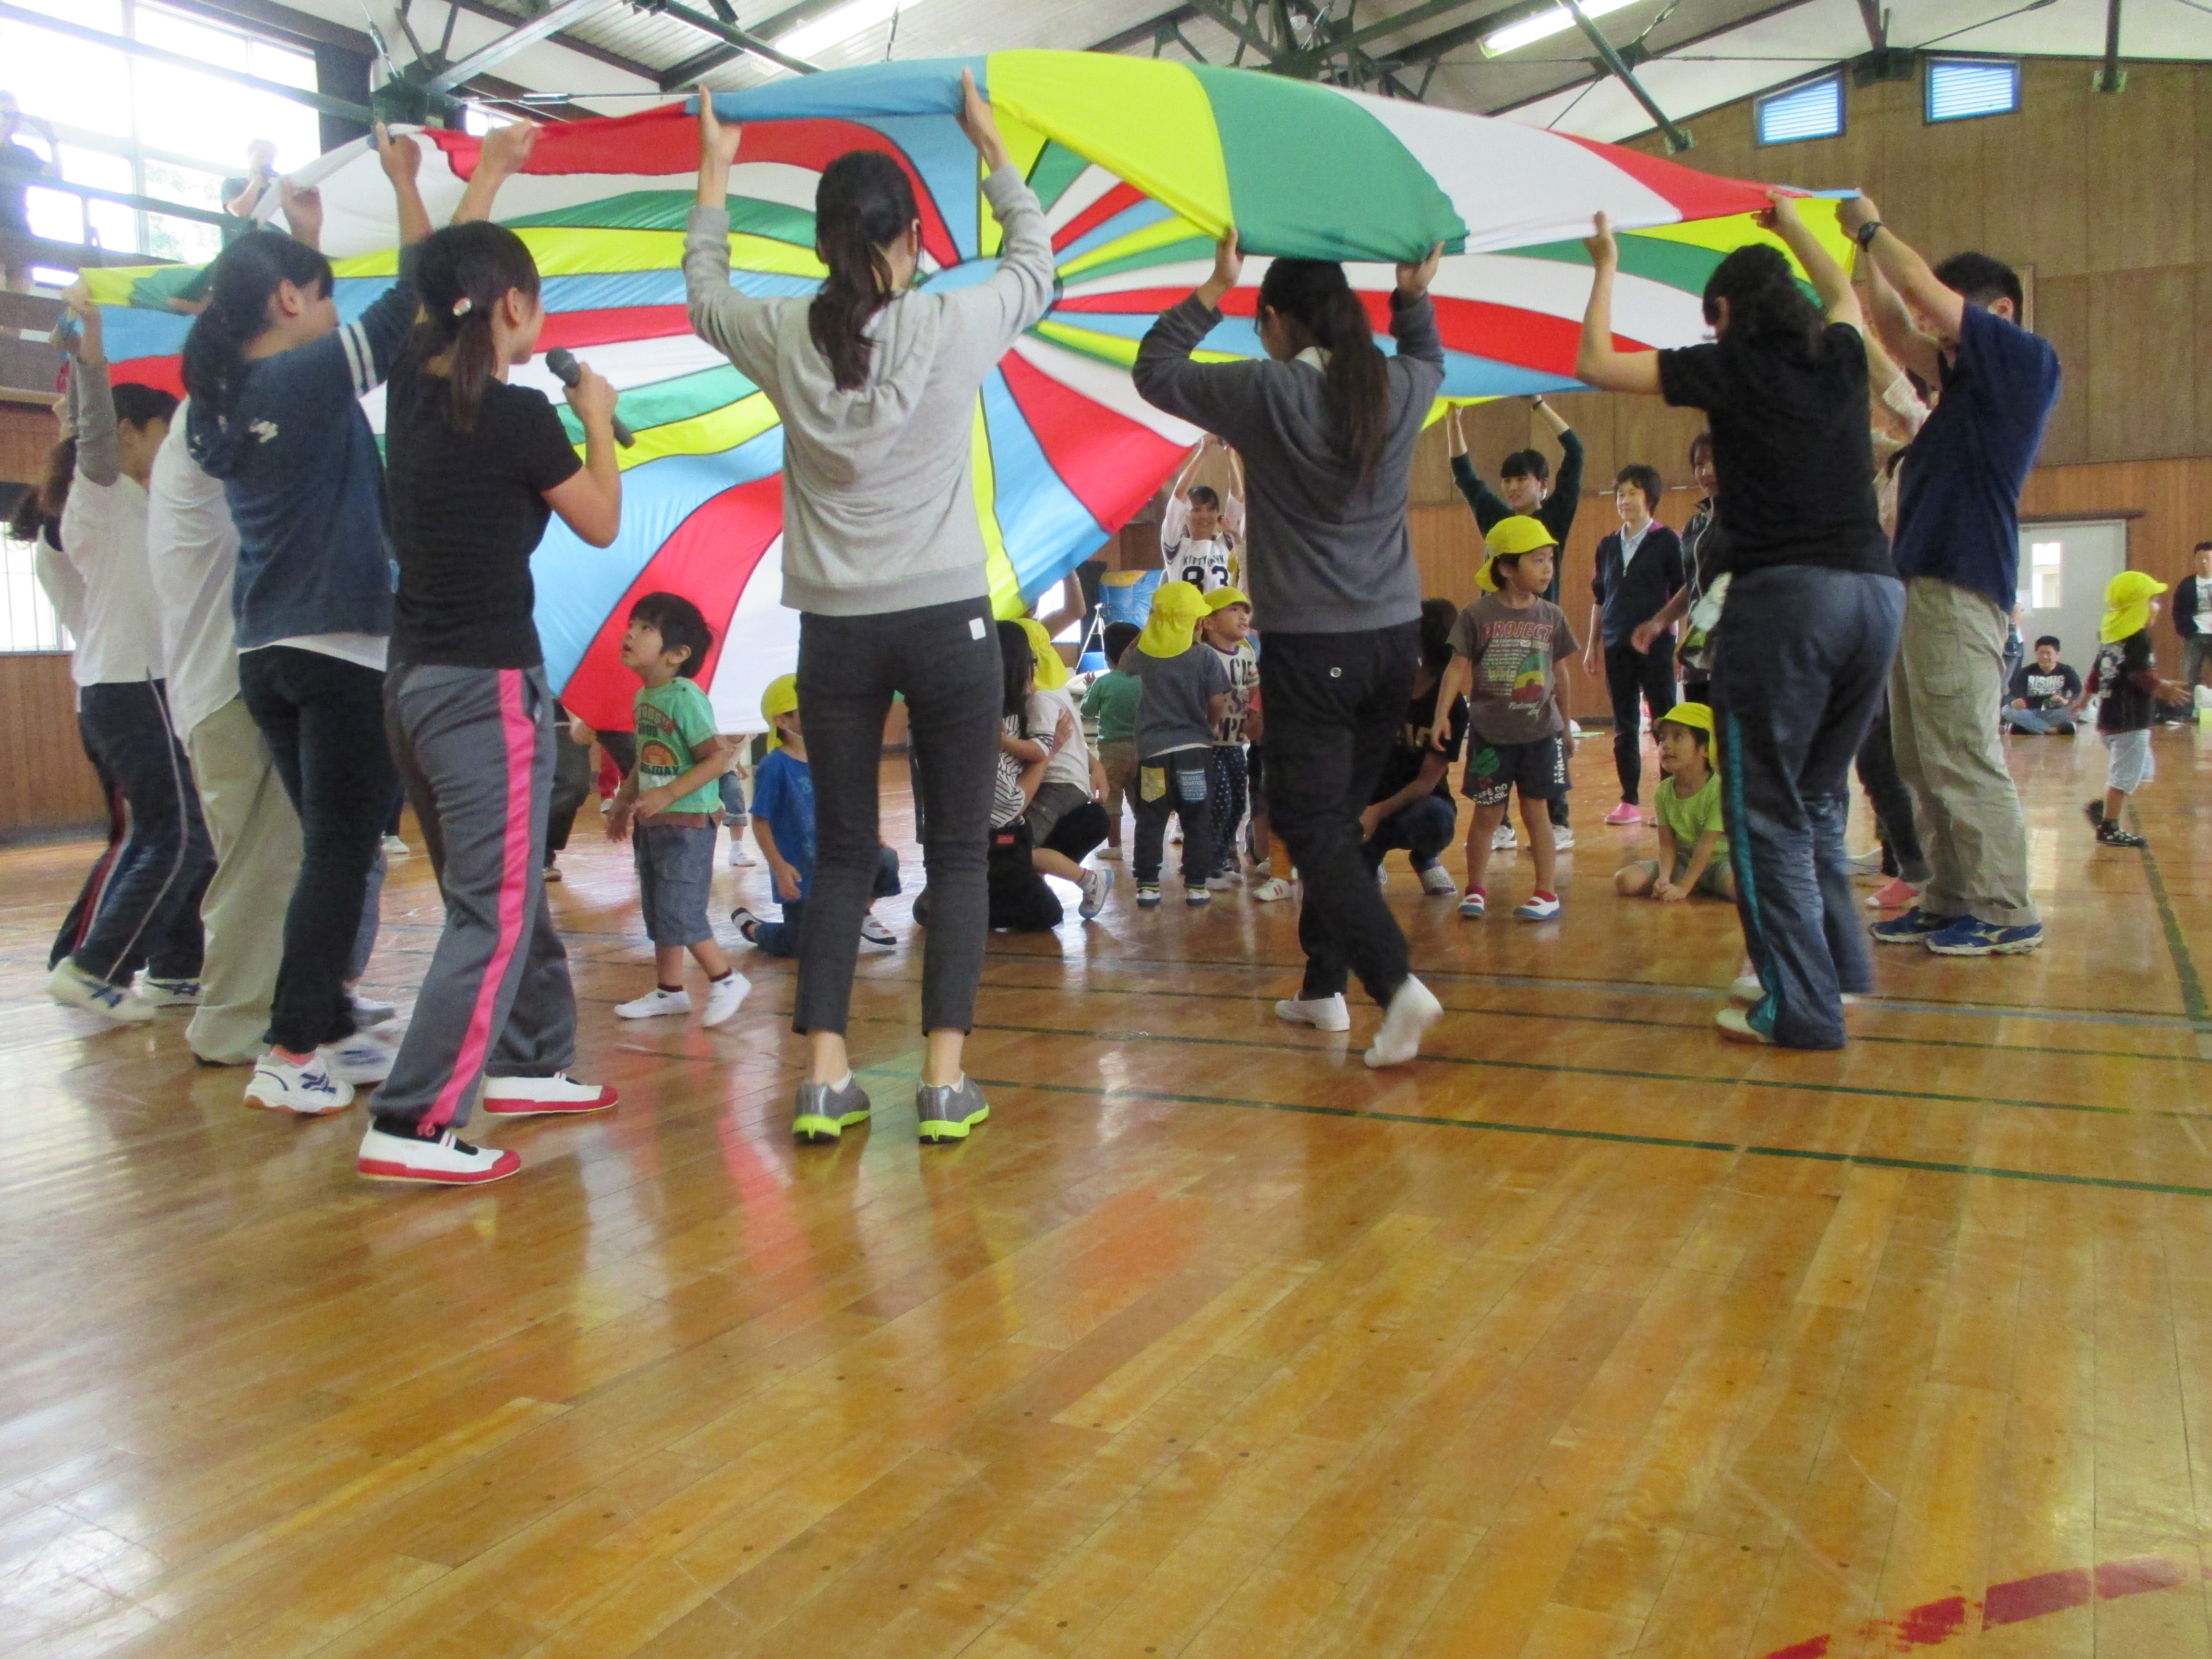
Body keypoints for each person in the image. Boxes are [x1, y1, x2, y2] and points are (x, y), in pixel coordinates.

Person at [685, 72, 1050, 1146]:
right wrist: (990, 145)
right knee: (959, 849)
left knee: (844, 853)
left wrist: (715, 169)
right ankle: (942, 1084)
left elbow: (703, 291)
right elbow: (1035, 265)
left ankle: (824, 1079)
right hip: (948, 625)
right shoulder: (950, 321)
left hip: (835, 633)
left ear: (820, 243)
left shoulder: (781, 332)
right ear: (909, 241)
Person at [1579, 195, 1904, 1048]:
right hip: (1875, 595)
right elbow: (1845, 295)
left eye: (1710, 319)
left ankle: (1799, 1008)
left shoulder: (1731, 366)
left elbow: (1595, 363)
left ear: (1724, 312)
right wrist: (1794, 227)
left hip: (1788, 601)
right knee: (1816, 797)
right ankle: (1838, 971)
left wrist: (1607, 264)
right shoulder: (1839, 353)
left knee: (1765, 812)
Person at [363, 177, 633, 1187]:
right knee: (495, 909)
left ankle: (528, 1062)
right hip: (484, 692)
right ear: (514, 304)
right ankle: (414, 1119)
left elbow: (425, 274)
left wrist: (435, 186)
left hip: (414, 687)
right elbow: (601, 520)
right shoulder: (521, 416)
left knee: (503, 894)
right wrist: (596, 418)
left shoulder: (408, 387)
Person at [1135, 230, 1448, 1068]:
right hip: (1394, 640)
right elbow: (1428, 357)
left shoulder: (1267, 390)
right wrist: (1412, 297)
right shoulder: (1399, 385)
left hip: (1315, 646)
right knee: (1336, 821)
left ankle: (1394, 984)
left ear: (1275, 319)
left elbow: (1155, 370)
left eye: (1257, 319)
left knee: (1308, 823)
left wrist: (1214, 286)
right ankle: (1322, 987)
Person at [183, 123, 430, 1109]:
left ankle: (325, 1019)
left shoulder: (224, 402)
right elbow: (412, 302)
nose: (332, 314)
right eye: (321, 294)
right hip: (338, 649)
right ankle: (291, 1051)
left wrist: (301, 237)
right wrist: (407, 184)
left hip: (269, 652)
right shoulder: (301, 378)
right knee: (340, 847)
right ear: (289, 301)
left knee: (340, 840)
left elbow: (282, 310)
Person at [1844, 193, 2060, 958]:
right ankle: (1948, 898)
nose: (1933, 328)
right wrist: (1857, 255)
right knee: (1920, 758)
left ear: (2000, 311)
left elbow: (1918, 297)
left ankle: (2006, 907)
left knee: (1962, 753)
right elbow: (1896, 324)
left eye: (1951, 313)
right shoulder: (1961, 395)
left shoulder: (2026, 365)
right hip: (1922, 587)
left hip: (1962, 587)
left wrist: (1871, 226)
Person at [42, 297, 214, 1025]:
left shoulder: (145, 503)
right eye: (162, 434)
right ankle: (93, 968)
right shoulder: (102, 494)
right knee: (173, 833)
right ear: (126, 434)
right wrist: (92, 353)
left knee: (193, 835)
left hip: (154, 686)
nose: (171, 448)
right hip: (126, 685)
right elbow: (91, 435)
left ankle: (175, 970)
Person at [1447, 397, 1586, 850]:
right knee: (1494, 723)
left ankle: (1558, 819)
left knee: (1545, 723)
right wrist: (1453, 420)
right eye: (1507, 479)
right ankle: (1500, 821)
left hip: (1540, 642)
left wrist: (1540, 404)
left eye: (1521, 479)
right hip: (1495, 642)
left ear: (1541, 484)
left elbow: (1576, 452)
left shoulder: (1553, 518)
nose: (1511, 487)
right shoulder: (1498, 520)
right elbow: (1465, 474)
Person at [605, 593, 749, 1029]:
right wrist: (624, 802)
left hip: (688, 824)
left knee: (681, 909)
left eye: (646, 628)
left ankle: (726, 979)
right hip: (655, 821)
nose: (631, 634)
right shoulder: (645, 697)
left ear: (677, 655)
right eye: (633, 624)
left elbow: (717, 758)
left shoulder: (685, 697)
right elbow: (646, 757)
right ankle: (670, 991)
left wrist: (668, 794)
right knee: (658, 908)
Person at [1433, 518, 1576, 923]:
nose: (1548, 568)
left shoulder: (1552, 616)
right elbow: (1456, 668)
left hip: (1540, 734)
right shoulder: (1476, 616)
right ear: (1507, 567)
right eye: (1538, 560)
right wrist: (1442, 715)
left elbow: (1560, 673)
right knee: (1487, 815)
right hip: (1491, 736)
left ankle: (1546, 893)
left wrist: (1566, 724)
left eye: (1550, 560)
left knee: (1537, 813)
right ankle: (1476, 889)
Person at [731, 676, 903, 983]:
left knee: (886, 860)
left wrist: (873, 837)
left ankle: (860, 912)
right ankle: (754, 929)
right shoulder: (775, 766)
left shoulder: (833, 757)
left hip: (842, 859)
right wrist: (780, 867)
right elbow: (761, 821)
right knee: (803, 944)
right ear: (783, 720)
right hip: (802, 871)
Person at [1584, 464, 1683, 825]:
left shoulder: (1668, 541)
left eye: (1632, 493)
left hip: (1657, 645)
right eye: (1620, 494)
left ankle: (1672, 799)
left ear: (1650, 498)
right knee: (1624, 724)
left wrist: (1681, 644)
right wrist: (1592, 645)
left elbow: (1684, 594)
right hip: (1616, 644)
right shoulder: (1608, 546)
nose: (1624, 500)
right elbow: (1600, 599)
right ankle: (1629, 800)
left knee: (1664, 720)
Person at [1123, 580, 1228, 909]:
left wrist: (1150, 629)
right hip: (1194, 753)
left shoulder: (1144, 656)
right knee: (1196, 819)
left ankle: (1148, 886)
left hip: (1153, 755)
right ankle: (1196, 886)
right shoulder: (1205, 656)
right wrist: (1209, 725)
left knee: (1151, 820)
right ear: (1197, 623)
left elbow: (1123, 664)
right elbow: (1218, 700)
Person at [1360, 597, 1463, 901]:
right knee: (1353, 887)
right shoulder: (1386, 686)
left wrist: (1375, 813)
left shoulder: (1451, 706)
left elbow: (1425, 782)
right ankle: (1372, 854)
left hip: (1416, 801)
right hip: (1370, 795)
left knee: (1436, 818)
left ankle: (1425, 857)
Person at [2078, 573, 2188, 850]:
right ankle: (2109, 828)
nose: (2157, 607)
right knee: (2124, 777)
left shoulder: (2111, 639)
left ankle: (2106, 808)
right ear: (2139, 607)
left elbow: (2097, 673)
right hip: (2130, 722)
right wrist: (2163, 689)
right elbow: (2139, 675)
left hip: (2110, 719)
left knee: (2143, 772)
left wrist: (2083, 699)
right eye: (2153, 600)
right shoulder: (2139, 639)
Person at [1614, 702, 1734, 903]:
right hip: (1683, 862)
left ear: (1706, 749)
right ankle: (1696, 884)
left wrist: (1683, 888)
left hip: (1719, 864)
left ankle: (1696, 883)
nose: (1666, 745)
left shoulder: (1719, 790)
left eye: (1678, 736)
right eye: (1663, 738)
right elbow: (1667, 845)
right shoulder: (1664, 791)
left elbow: (1706, 845)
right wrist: (1664, 878)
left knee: (1740, 889)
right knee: (1625, 880)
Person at [1198, 586, 1259, 887]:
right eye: (1233, 610)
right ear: (1208, 622)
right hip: (1209, 744)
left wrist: (1255, 719)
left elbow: (1255, 690)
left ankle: (1221, 859)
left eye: (1245, 610)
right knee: (1217, 803)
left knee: (1237, 803)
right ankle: (1205, 867)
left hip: (1235, 742)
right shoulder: (1204, 654)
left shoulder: (1246, 652)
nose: (1243, 615)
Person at [1082, 621, 1142, 858]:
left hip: (1111, 749)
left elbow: (1087, 711)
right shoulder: (1144, 681)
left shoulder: (1104, 682)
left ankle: (1115, 846)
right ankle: (1146, 845)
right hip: (1142, 748)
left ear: (1107, 657)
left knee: (1112, 798)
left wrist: (1090, 688)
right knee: (1142, 799)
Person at [1161, 435, 1245, 592]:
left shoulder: (1225, 544)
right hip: (1188, 609)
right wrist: (1202, 452)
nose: (1204, 515)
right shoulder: (1176, 548)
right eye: (1197, 509)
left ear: (1217, 514)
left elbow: (1237, 497)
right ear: (1186, 514)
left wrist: (1230, 454)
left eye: (1211, 509)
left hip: (1221, 608)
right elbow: (1178, 497)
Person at [0, 92, 57, 295]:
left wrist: (52, 139)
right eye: (5, 113)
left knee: (20, 291)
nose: (9, 119)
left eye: (13, 114)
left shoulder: (23, 153)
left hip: (18, 226)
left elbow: (55, 176)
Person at [2002, 636, 2082, 735]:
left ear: (2058, 655)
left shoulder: (2067, 671)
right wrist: (2013, 702)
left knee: (2076, 712)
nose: (2044, 657)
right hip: (2031, 711)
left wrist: (2066, 701)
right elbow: (2012, 695)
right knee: (2006, 710)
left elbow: (2078, 694)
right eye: (2041, 653)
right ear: (2036, 654)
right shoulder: (2026, 672)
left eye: (2048, 654)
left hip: (2055, 711)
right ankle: (2050, 730)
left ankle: (2028, 728)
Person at [220, 140, 279, 246]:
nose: (267, 162)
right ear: (249, 156)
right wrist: (256, 182)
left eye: (271, 158)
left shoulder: (277, 191)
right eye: (262, 156)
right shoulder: (232, 184)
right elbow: (241, 212)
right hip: (241, 248)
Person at [2173, 541, 2212, 691]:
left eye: (2208, 558)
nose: (2204, 562)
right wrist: (2186, 630)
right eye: (2200, 559)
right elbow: (2178, 610)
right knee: (2188, 678)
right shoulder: (2187, 585)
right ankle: (2187, 706)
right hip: (2195, 635)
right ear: (2195, 560)